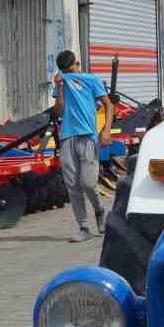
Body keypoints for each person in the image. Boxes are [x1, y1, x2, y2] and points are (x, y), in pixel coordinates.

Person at [48, 50, 113, 242]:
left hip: (88, 137)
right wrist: (59, 87)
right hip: (68, 137)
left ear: (77, 63)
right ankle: (84, 227)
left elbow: (109, 105)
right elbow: (59, 112)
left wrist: (106, 131)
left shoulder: (91, 80)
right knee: (73, 186)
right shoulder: (61, 82)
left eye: (71, 70)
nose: (70, 74)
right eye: (66, 72)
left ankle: (100, 209)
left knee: (88, 183)